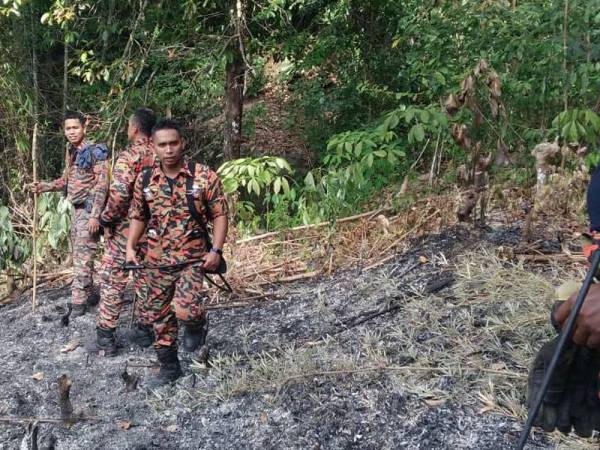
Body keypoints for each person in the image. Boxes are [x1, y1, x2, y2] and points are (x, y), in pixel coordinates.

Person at [126, 119, 228, 387]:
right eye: (163, 145)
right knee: (159, 318)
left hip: (193, 260)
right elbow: (138, 215)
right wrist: (130, 246)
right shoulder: (145, 179)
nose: (169, 149)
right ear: (153, 147)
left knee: (185, 311)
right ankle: (169, 368)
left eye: (173, 143)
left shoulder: (204, 176)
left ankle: (196, 323)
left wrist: (216, 250)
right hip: (156, 263)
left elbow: (220, 215)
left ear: (183, 143)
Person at [28, 111, 109, 317]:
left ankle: (78, 304)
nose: (71, 132)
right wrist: (43, 187)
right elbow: (66, 181)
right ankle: (90, 294)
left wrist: (94, 216)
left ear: (84, 127)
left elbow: (102, 185)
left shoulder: (95, 151)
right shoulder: (72, 152)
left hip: (89, 211)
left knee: (82, 259)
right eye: (68, 129)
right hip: (76, 211)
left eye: (75, 128)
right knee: (80, 256)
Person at [92, 108, 157, 355]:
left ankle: (106, 338)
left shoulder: (129, 157)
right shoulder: (163, 152)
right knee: (147, 278)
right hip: (154, 230)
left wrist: (106, 220)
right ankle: (145, 331)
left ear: (135, 128)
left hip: (125, 230)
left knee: (113, 279)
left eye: (128, 126)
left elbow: (119, 196)